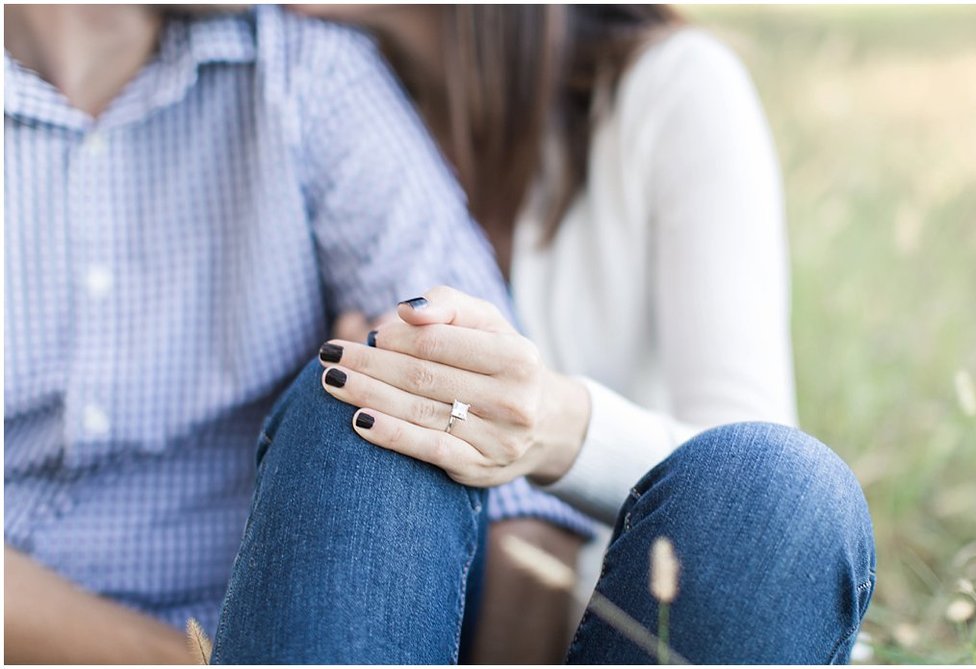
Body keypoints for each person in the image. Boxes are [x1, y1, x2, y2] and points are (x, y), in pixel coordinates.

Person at [209, 4, 877, 664]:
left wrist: (551, 427)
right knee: (369, 396)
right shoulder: (316, 93)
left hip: (636, 617)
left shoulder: (673, 91)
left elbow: (757, 480)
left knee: (786, 492)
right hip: (412, 602)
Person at [2, 4, 592, 663]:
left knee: (390, 380)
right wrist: (210, 659)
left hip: (315, 623)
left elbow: (500, 429)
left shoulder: (307, 73)